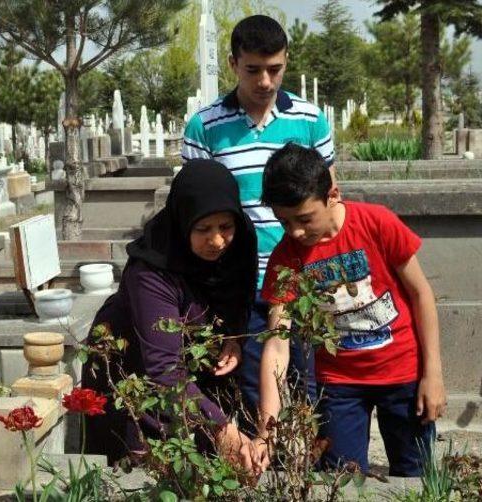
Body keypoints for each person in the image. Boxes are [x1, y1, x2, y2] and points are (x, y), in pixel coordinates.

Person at [255, 143, 446, 476]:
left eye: (304, 219)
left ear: (332, 195)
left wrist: (434, 374)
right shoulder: (285, 260)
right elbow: (276, 344)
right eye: (283, 222)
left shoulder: (377, 223)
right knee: (341, 477)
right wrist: (265, 430)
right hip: (340, 384)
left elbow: (421, 294)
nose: (295, 232)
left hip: (403, 374)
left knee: (416, 474)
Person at [182, 14, 335, 416]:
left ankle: (305, 472)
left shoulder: (310, 120)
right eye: (253, 70)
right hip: (242, 282)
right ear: (234, 64)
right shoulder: (205, 127)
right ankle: (266, 464)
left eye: (275, 69)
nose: (265, 81)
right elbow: (195, 207)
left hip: (302, 279)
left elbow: (329, 198)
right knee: (256, 387)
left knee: (308, 386)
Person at [82, 159, 259, 471]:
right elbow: (163, 370)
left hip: (193, 370)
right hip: (138, 372)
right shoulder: (151, 271)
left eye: (225, 227)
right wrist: (221, 427)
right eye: (203, 229)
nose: (217, 240)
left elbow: (239, 295)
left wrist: (233, 336)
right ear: (182, 221)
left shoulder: (241, 241)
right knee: (147, 465)